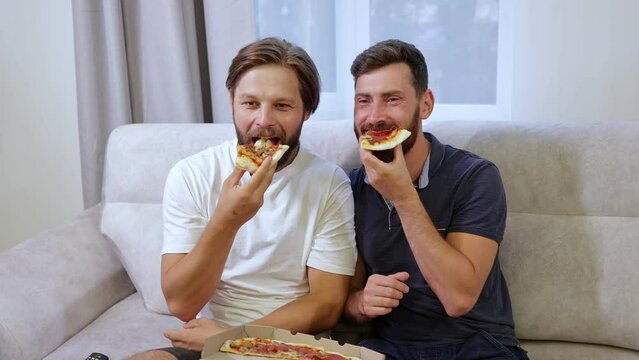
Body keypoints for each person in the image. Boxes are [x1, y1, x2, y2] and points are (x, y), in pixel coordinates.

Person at [128, 37, 356, 360]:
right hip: (214, 343)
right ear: (232, 101)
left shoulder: (330, 183)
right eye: (250, 104)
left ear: (307, 110)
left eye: (282, 105)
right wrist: (227, 220)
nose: (263, 121)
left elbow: (327, 305)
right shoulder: (191, 174)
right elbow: (181, 304)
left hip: (291, 344)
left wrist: (238, 339)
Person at [343, 39, 529, 360]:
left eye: (392, 99)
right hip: (391, 348)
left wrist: (402, 195)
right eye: (364, 101)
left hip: (478, 345)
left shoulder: (475, 176)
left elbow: (458, 299)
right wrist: (359, 303)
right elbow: (346, 297)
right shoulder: (351, 186)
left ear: (425, 104)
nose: (374, 117)